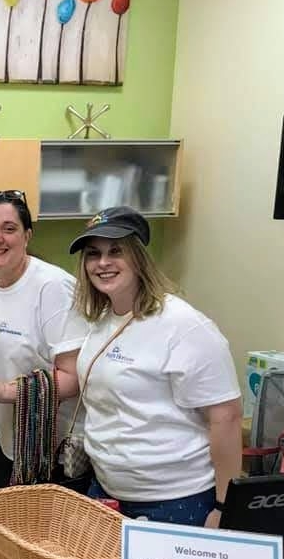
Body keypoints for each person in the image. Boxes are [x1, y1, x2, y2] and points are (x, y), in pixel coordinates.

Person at [68, 206, 242, 527]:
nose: (103, 263)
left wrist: (223, 505)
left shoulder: (183, 326)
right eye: (93, 254)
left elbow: (226, 417)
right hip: (108, 494)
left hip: (176, 501)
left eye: (115, 251)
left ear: (138, 257)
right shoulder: (104, 320)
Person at [0, 190, 88, 486]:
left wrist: (2, 390)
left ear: (27, 235)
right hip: (10, 443)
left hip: (57, 452)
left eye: (9, 228)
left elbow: (75, 377)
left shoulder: (52, 288)